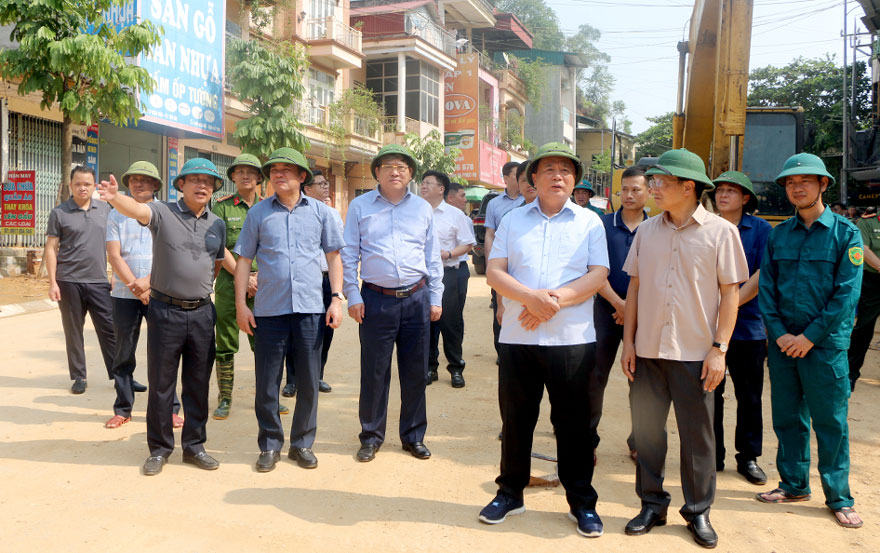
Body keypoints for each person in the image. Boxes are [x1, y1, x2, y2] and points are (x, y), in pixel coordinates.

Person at [480, 142, 609, 539]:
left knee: (574, 425)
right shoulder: (514, 221)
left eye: (566, 171)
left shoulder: (590, 222)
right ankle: (510, 492)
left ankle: (582, 502)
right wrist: (528, 298)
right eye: (549, 169)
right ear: (532, 179)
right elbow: (494, 271)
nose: (558, 176)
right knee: (517, 418)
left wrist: (552, 301)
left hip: (572, 339)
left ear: (575, 181)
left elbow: (598, 273)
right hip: (519, 338)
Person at [621, 149, 748, 548]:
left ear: (688, 187)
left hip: (696, 352)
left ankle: (698, 511)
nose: (652, 188)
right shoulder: (646, 231)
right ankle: (651, 504)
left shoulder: (720, 232)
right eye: (652, 182)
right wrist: (629, 343)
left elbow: (731, 294)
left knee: (698, 437)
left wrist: (719, 349)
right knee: (647, 434)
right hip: (648, 351)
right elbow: (636, 288)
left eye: (660, 182)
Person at [97, 158, 227, 476]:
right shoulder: (162, 212)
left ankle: (195, 446)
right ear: (180, 184)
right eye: (194, 180)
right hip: (165, 311)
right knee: (161, 384)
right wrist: (115, 196)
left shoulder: (217, 223)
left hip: (201, 313)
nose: (202, 186)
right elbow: (137, 210)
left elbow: (218, 261)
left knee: (197, 384)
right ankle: (159, 449)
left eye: (208, 182)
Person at [756, 153, 864, 529]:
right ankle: (793, 484)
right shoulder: (778, 235)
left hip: (825, 346)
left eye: (805, 180)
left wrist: (809, 337)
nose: (796, 187)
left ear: (822, 185)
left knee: (831, 421)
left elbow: (846, 294)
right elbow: (767, 289)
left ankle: (839, 496)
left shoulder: (846, 234)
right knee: (787, 418)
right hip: (784, 344)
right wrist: (782, 334)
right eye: (789, 182)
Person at [234, 148, 345, 472]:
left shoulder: (322, 213)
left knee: (309, 380)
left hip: (311, 309)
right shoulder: (258, 214)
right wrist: (242, 305)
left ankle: (302, 443)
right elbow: (243, 261)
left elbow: (334, 257)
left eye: (287, 170)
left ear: (301, 177)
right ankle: (270, 444)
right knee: (267, 380)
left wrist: (336, 299)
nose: (279, 175)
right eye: (274, 171)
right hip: (270, 310)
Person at [341, 144, 443, 463]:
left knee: (415, 371)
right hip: (376, 299)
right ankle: (371, 436)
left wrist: (435, 297)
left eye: (401, 166)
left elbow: (432, 256)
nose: (395, 171)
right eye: (388, 166)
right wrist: (353, 294)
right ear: (377, 173)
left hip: (416, 298)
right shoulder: (360, 207)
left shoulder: (422, 209)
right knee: (374, 371)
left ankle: (413, 436)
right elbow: (348, 254)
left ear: (410, 173)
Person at [212, 154, 290, 420]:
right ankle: (225, 398)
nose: (245, 176)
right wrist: (244, 280)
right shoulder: (221, 208)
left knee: (266, 344)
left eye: (251, 172)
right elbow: (218, 247)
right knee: (224, 343)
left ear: (259, 178)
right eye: (239, 172)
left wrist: (257, 280)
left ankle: (269, 397)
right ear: (232, 177)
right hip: (229, 283)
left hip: (265, 286)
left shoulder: (271, 207)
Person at [104, 161, 182, 429]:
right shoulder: (115, 213)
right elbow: (114, 254)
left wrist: (149, 284)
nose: (139, 183)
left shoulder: (165, 212)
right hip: (124, 295)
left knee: (164, 352)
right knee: (123, 353)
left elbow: (170, 254)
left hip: (159, 293)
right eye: (134, 179)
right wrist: (134, 285)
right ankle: (123, 408)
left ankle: (170, 408)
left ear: (156, 185)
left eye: (145, 180)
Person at [707, 171, 773, 484]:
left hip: (747, 326)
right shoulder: (705, 226)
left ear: (745, 198)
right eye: (719, 190)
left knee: (749, 396)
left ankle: (748, 457)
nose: (723, 195)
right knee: (710, 393)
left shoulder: (760, 230)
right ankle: (712, 455)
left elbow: (762, 275)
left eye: (731, 191)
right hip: (707, 325)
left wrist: (728, 307)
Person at [590, 165, 648, 463]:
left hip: (645, 314)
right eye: (624, 189)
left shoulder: (658, 226)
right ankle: (588, 440)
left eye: (636, 189)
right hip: (604, 309)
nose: (629, 195)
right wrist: (619, 304)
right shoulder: (601, 224)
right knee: (594, 375)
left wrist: (633, 309)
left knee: (640, 379)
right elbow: (594, 270)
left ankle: (639, 441)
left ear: (649, 192)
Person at [44, 166, 116, 394]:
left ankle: (119, 375)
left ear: (94, 186)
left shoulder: (106, 210)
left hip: (98, 281)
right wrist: (52, 282)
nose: (82, 187)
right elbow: (51, 248)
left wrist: (115, 274)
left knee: (109, 329)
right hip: (68, 281)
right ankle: (79, 376)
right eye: (78, 183)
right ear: (71, 185)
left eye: (87, 183)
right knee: (73, 330)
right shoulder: (59, 212)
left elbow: (114, 245)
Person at [283, 169, 341, 396]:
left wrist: (339, 290)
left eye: (327, 183)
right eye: (320, 184)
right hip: (304, 281)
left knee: (325, 331)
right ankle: (292, 380)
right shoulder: (293, 214)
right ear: (306, 188)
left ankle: (317, 375)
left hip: (326, 281)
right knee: (294, 330)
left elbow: (337, 254)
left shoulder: (333, 215)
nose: (326, 187)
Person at [421, 173, 475, 388]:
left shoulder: (455, 215)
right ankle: (429, 367)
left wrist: (449, 254)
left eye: (428, 183)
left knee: (450, 322)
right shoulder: (416, 212)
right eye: (422, 183)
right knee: (427, 323)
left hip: (450, 273)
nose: (423, 186)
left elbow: (467, 244)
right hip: (423, 276)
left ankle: (455, 368)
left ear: (441, 189)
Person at [485, 161, 525, 361]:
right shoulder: (494, 204)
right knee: (500, 306)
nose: (521, 181)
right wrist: (490, 264)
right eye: (518, 176)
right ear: (506, 178)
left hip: (522, 264)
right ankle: (502, 351)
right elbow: (490, 235)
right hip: (502, 265)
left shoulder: (531, 200)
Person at [847, 204, 880, 391]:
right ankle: (850, 374)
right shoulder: (868, 223)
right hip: (873, 281)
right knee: (864, 328)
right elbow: (864, 249)